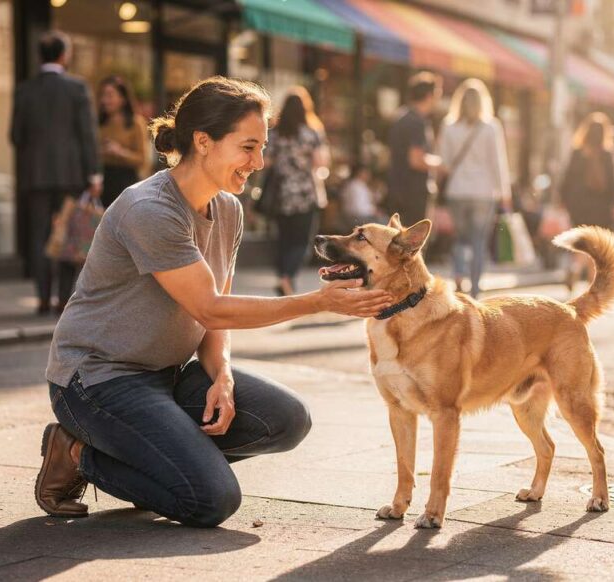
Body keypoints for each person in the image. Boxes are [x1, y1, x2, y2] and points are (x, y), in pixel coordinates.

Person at [35, 76, 393, 528]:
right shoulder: (150, 209)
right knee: (211, 500)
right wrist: (317, 302)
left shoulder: (227, 208)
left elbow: (215, 307)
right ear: (203, 142)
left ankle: (162, 462)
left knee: (286, 419)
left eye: (262, 147)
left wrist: (221, 374)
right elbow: (210, 307)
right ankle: (76, 452)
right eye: (248, 147)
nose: (258, 162)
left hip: (166, 376)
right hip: (98, 381)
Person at [10, 31, 101, 316]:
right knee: (67, 236)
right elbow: (87, 135)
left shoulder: (24, 90)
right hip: (70, 175)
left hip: (34, 176)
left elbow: (15, 136)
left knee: (38, 236)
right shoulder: (77, 88)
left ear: (41, 56)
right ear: (64, 55)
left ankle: (41, 299)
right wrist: (94, 173)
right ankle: (63, 299)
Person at [437, 78, 512, 297]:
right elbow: (498, 162)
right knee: (479, 241)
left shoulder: (449, 127)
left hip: (457, 191)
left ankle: (459, 275)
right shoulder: (491, 127)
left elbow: (444, 162)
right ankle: (476, 288)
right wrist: (504, 193)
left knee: (460, 238)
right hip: (483, 192)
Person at [265, 87, 330, 297]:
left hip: (281, 193)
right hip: (305, 193)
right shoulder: (311, 133)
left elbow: (265, 162)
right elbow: (320, 162)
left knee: (283, 239)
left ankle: (283, 276)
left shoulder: (275, 133)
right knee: (302, 241)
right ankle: (287, 277)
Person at [558, 112, 614, 291]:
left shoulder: (577, 153)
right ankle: (591, 283)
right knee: (596, 245)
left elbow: (566, 178)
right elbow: (613, 183)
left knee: (582, 241)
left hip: (578, 206)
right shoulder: (607, 155)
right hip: (601, 207)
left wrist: (562, 199)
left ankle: (575, 268)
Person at [386, 72, 442, 226]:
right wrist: (440, 165)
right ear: (430, 95)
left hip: (396, 189)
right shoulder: (418, 122)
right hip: (414, 193)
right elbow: (416, 160)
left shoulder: (400, 117)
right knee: (413, 244)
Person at [98, 75, 150, 208]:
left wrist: (120, 152)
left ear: (122, 99)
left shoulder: (135, 123)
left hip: (126, 184)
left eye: (110, 95)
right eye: (103, 95)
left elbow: (142, 160)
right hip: (102, 183)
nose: (104, 100)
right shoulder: (100, 123)